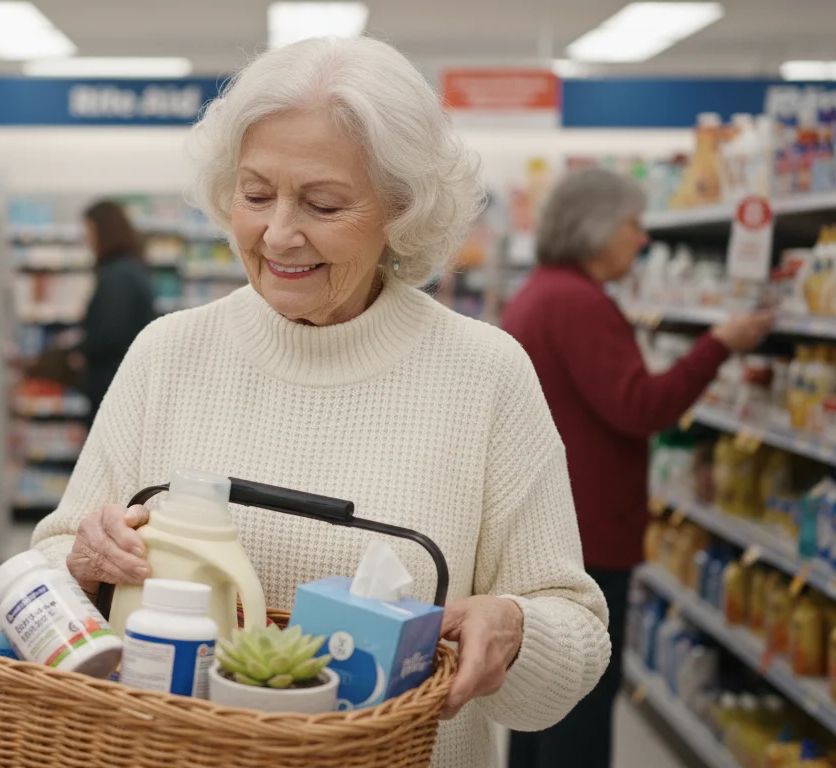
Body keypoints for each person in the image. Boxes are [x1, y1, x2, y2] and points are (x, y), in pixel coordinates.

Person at [32, 37, 609, 767]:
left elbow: (576, 630)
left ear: (402, 207)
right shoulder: (167, 354)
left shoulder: (485, 375)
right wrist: (84, 561)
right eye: (255, 194)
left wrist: (518, 627)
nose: (278, 233)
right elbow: (48, 568)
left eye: (323, 203)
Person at [501, 167, 775, 768]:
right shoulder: (578, 302)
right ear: (597, 228)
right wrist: (719, 344)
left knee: (543, 697)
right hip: (589, 531)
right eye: (633, 224)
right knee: (582, 699)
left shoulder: (542, 293)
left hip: (560, 524)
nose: (643, 240)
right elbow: (640, 406)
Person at [73, 200, 157, 416]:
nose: (86, 238)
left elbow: (111, 331)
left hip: (113, 383)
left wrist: (81, 351)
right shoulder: (129, 268)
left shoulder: (118, 275)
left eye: (89, 230)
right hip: (124, 381)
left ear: (104, 231)